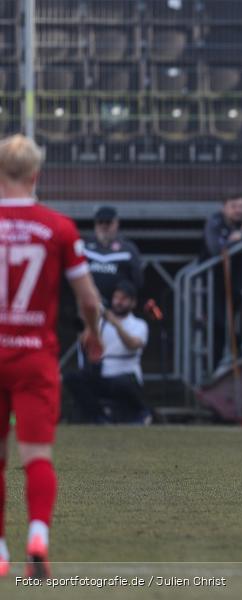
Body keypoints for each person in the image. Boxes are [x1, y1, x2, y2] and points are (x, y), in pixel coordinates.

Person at [0, 134, 104, 578]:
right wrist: (93, 333)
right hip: (34, 356)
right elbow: (89, 301)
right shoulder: (59, 228)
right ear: (36, 174)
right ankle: (37, 535)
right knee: (37, 455)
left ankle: (0, 552)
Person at [64, 280, 150, 425]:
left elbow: (133, 344)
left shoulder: (139, 324)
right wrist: (89, 320)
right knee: (73, 378)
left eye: (124, 299)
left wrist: (115, 323)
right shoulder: (101, 323)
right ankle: (99, 417)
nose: (119, 302)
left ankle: (141, 412)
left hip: (126, 377)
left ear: (133, 303)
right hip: (103, 375)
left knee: (123, 384)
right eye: (116, 298)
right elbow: (85, 341)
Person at [202, 196, 242, 367]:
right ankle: (213, 367)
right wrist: (232, 241)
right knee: (218, 326)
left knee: (240, 324)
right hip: (213, 285)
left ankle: (240, 361)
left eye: (241, 206)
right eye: (233, 206)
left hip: (236, 283)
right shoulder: (215, 222)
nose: (238, 210)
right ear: (224, 207)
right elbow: (215, 248)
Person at [83, 205, 143, 306]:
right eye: (100, 222)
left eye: (108, 222)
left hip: (118, 309)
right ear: (95, 224)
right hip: (89, 307)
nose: (104, 226)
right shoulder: (84, 246)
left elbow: (138, 281)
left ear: (116, 223)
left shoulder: (127, 249)